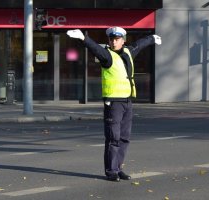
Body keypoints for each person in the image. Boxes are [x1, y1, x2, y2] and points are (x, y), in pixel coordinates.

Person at [67, 27, 161, 182]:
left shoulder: (128, 52)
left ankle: (118, 168)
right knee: (113, 137)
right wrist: (84, 38)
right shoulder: (107, 56)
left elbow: (139, 44)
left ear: (123, 40)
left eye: (117, 39)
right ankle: (111, 171)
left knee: (124, 138)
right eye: (111, 39)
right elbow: (96, 49)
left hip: (127, 101)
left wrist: (152, 39)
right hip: (113, 103)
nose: (113, 41)